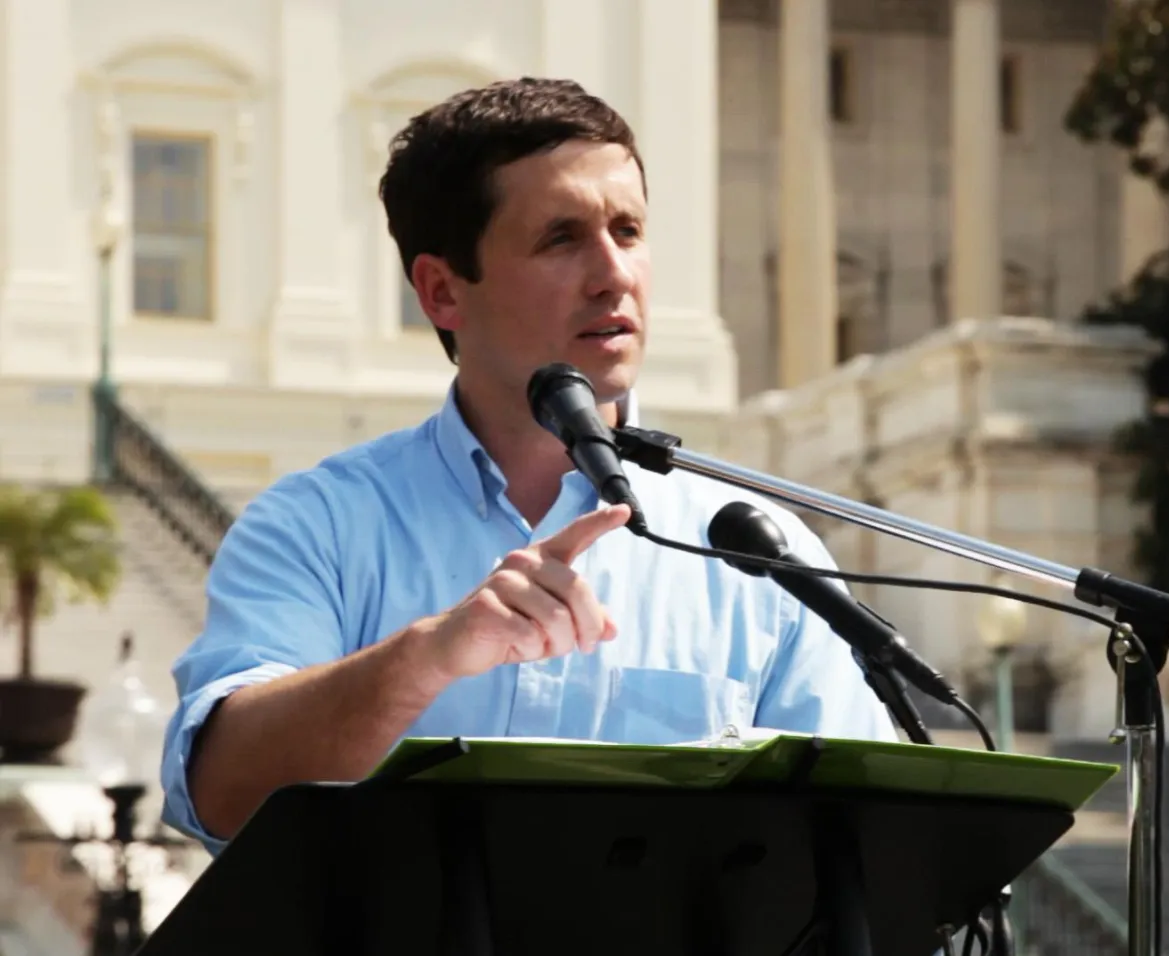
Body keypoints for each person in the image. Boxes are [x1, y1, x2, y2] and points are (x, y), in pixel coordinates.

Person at [160, 76, 897, 857]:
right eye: (561, 238)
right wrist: (432, 654)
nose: (614, 274)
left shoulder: (757, 549)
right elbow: (222, 790)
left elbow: (864, 850)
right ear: (443, 291)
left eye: (629, 230)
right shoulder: (317, 526)